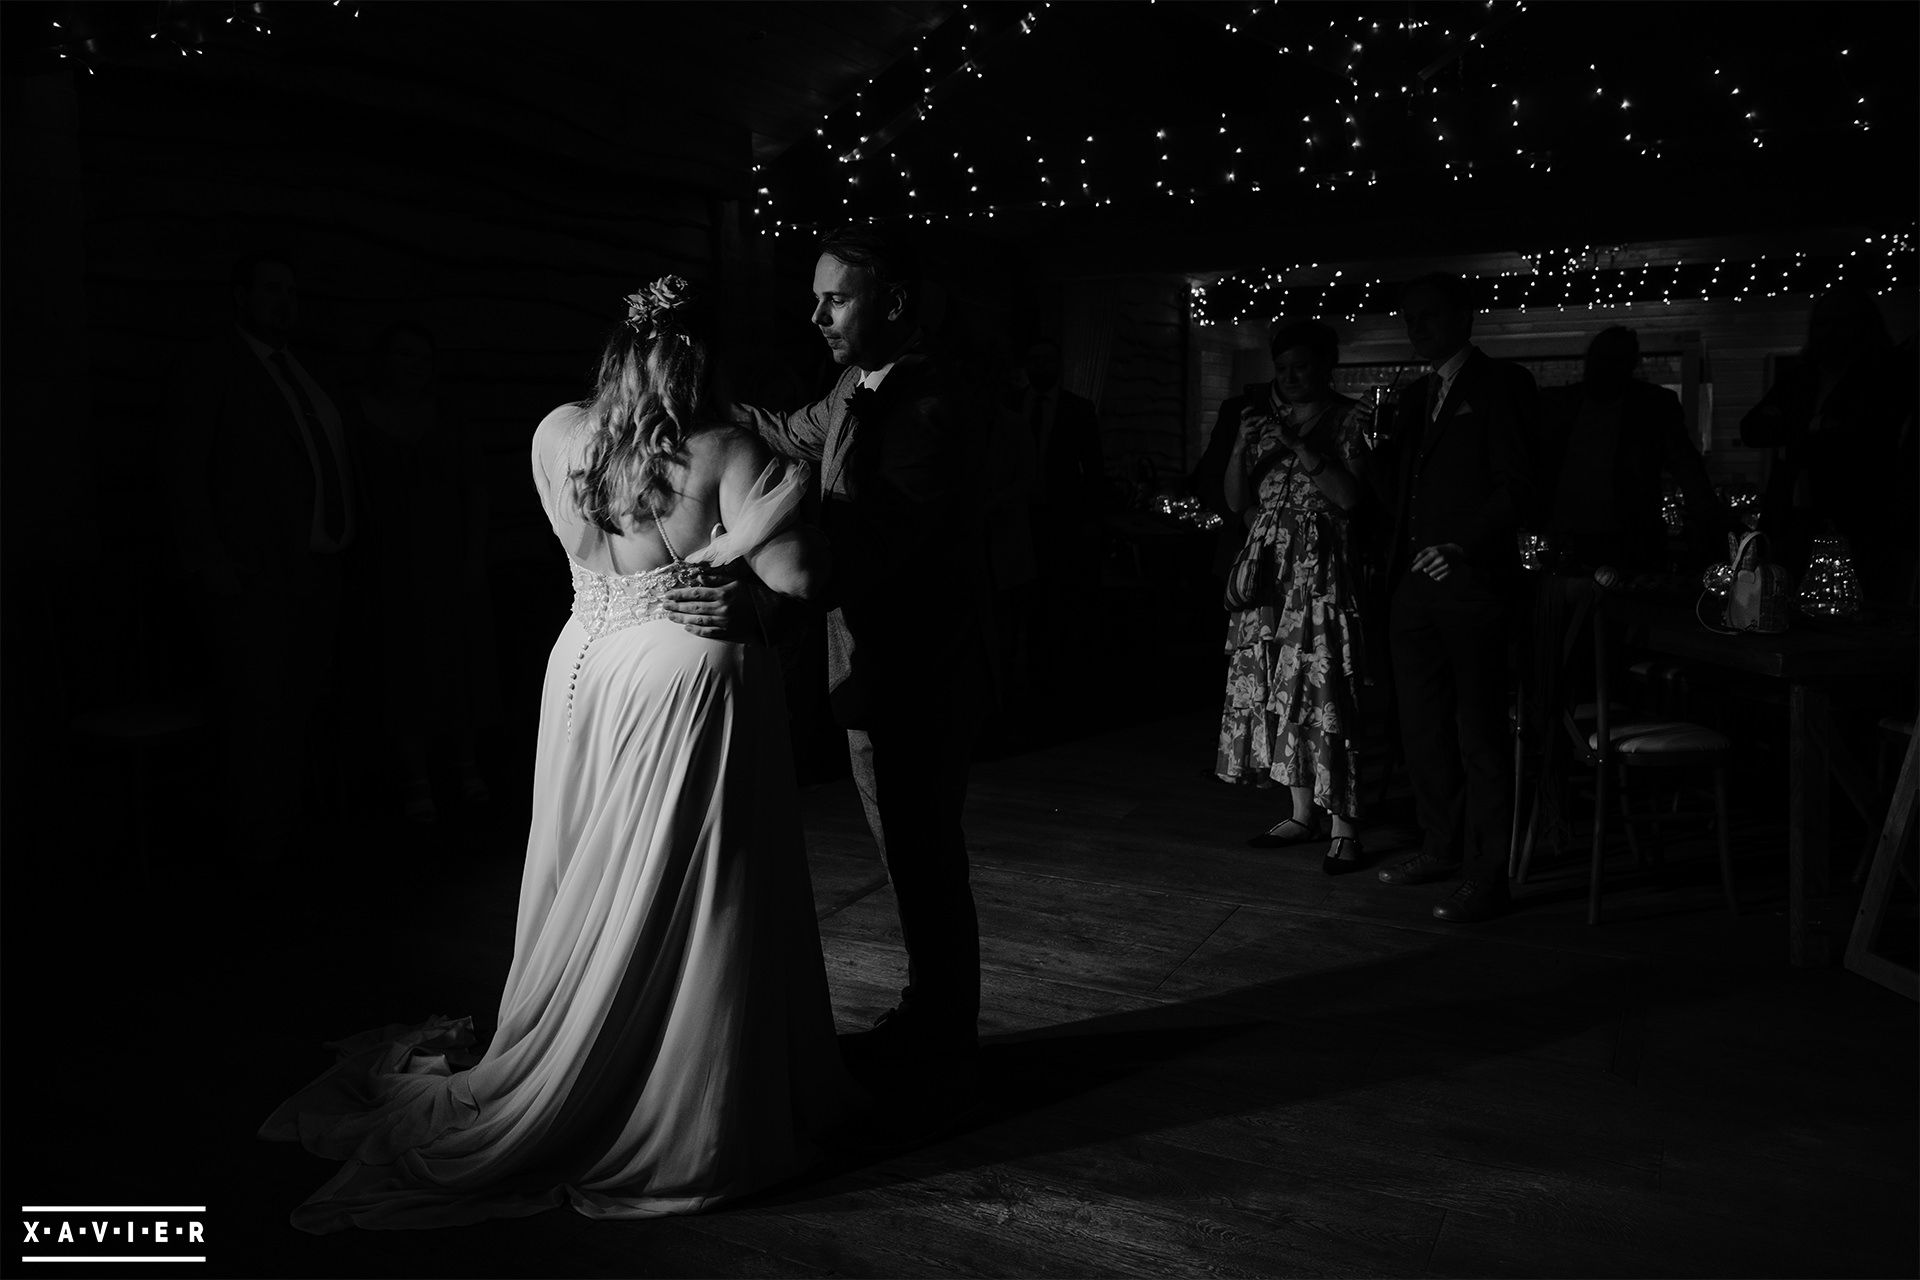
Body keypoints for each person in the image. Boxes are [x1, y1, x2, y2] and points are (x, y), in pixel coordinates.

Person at [260, 276, 854, 1230]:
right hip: (683, 673)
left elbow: (583, 551)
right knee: (685, 885)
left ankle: (580, 1028)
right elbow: (800, 576)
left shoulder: (557, 433)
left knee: (591, 865)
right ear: (711, 361)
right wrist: (757, 527)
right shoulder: (730, 449)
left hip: (583, 663)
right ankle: (674, 1083)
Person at [669, 223, 992, 1074]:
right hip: (869, 669)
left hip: (914, 671)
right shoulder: (855, 380)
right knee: (906, 851)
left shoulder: (927, 409)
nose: (815, 314)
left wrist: (758, 607)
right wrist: (702, 412)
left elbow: (866, 559)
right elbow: (791, 428)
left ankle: (942, 1037)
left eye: (834, 297)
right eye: (814, 297)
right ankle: (933, 1016)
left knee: (922, 854)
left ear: (893, 301)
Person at [166, 251, 362, 871]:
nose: (284, 301)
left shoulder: (306, 373)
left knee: (304, 710)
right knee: (255, 718)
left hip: (315, 572)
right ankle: (256, 857)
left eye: (291, 291)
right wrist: (209, 559)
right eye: (271, 289)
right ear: (240, 296)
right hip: (250, 577)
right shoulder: (213, 366)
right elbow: (183, 470)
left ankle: (297, 840)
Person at [1370, 274, 1537, 923]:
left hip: (1472, 588)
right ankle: (1438, 846)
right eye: (1410, 318)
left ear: (1465, 316)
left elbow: (1520, 485)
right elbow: (1396, 499)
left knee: (1479, 734)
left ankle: (1487, 875)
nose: (1418, 328)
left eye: (1430, 315)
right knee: (1421, 729)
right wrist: (1372, 451)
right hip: (1412, 587)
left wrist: (1465, 546)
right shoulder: (1415, 394)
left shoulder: (1503, 385)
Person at [1214, 319, 1371, 875]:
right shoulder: (1261, 425)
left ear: (1325, 366)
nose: (1291, 377)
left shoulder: (1353, 419)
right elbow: (1236, 500)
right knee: (1279, 688)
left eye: (1301, 366)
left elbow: (1350, 498)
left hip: (1319, 574)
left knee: (1322, 688)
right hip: (1268, 576)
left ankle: (1344, 824)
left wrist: (1299, 444)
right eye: (1282, 369)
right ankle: (1301, 811)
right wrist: (1240, 441)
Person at [353, 321, 498, 824]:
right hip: (386, 563)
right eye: (402, 355)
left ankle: (463, 766)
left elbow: (476, 491)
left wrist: (473, 560)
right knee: (398, 668)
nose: (411, 366)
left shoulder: (449, 420)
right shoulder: (358, 417)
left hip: (445, 561)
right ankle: (413, 777)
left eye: (421, 357)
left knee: (453, 663)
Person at [1740, 288, 1918, 606]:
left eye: (1840, 323)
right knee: (1779, 597)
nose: (1829, 332)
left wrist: (1798, 426)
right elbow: (1752, 429)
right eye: (1823, 324)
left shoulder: (1884, 377)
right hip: (1791, 516)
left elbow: (1868, 435)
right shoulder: (1801, 377)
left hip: (1859, 513)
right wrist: (1817, 426)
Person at [1538, 326, 1732, 579]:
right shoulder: (1561, 404)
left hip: (1627, 538)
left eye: (1612, 360)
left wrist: (1711, 521)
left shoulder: (1652, 407)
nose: (1604, 368)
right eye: (1602, 359)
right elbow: (1688, 468)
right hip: (1573, 538)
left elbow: (1687, 468)